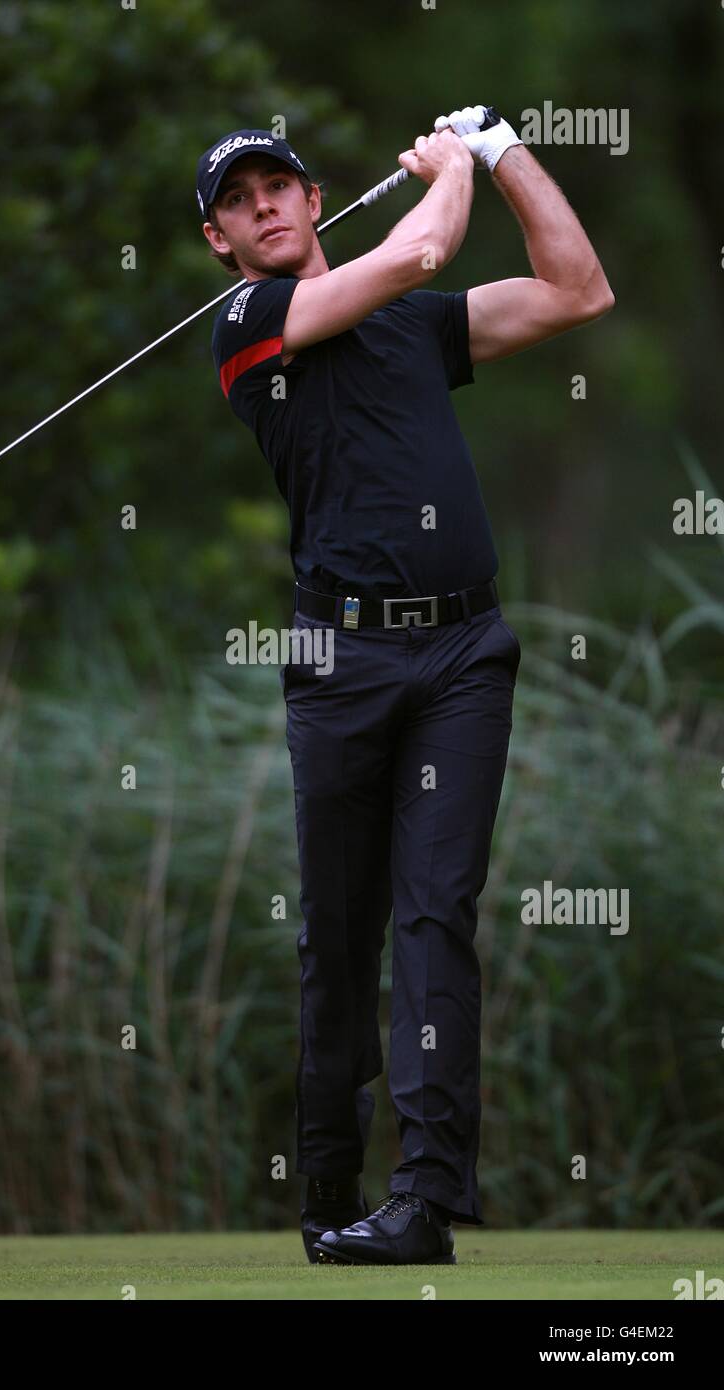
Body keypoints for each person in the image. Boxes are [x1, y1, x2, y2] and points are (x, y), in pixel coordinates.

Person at [198, 108, 613, 1266]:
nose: (266, 205)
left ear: (317, 199)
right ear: (220, 243)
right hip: (339, 665)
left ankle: (423, 1204)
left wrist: (502, 149)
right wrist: (447, 169)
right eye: (240, 201)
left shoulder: (417, 331)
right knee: (339, 932)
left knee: (438, 915)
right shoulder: (248, 326)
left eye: (280, 185)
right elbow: (424, 249)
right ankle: (328, 1186)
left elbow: (577, 289)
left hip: (462, 657)